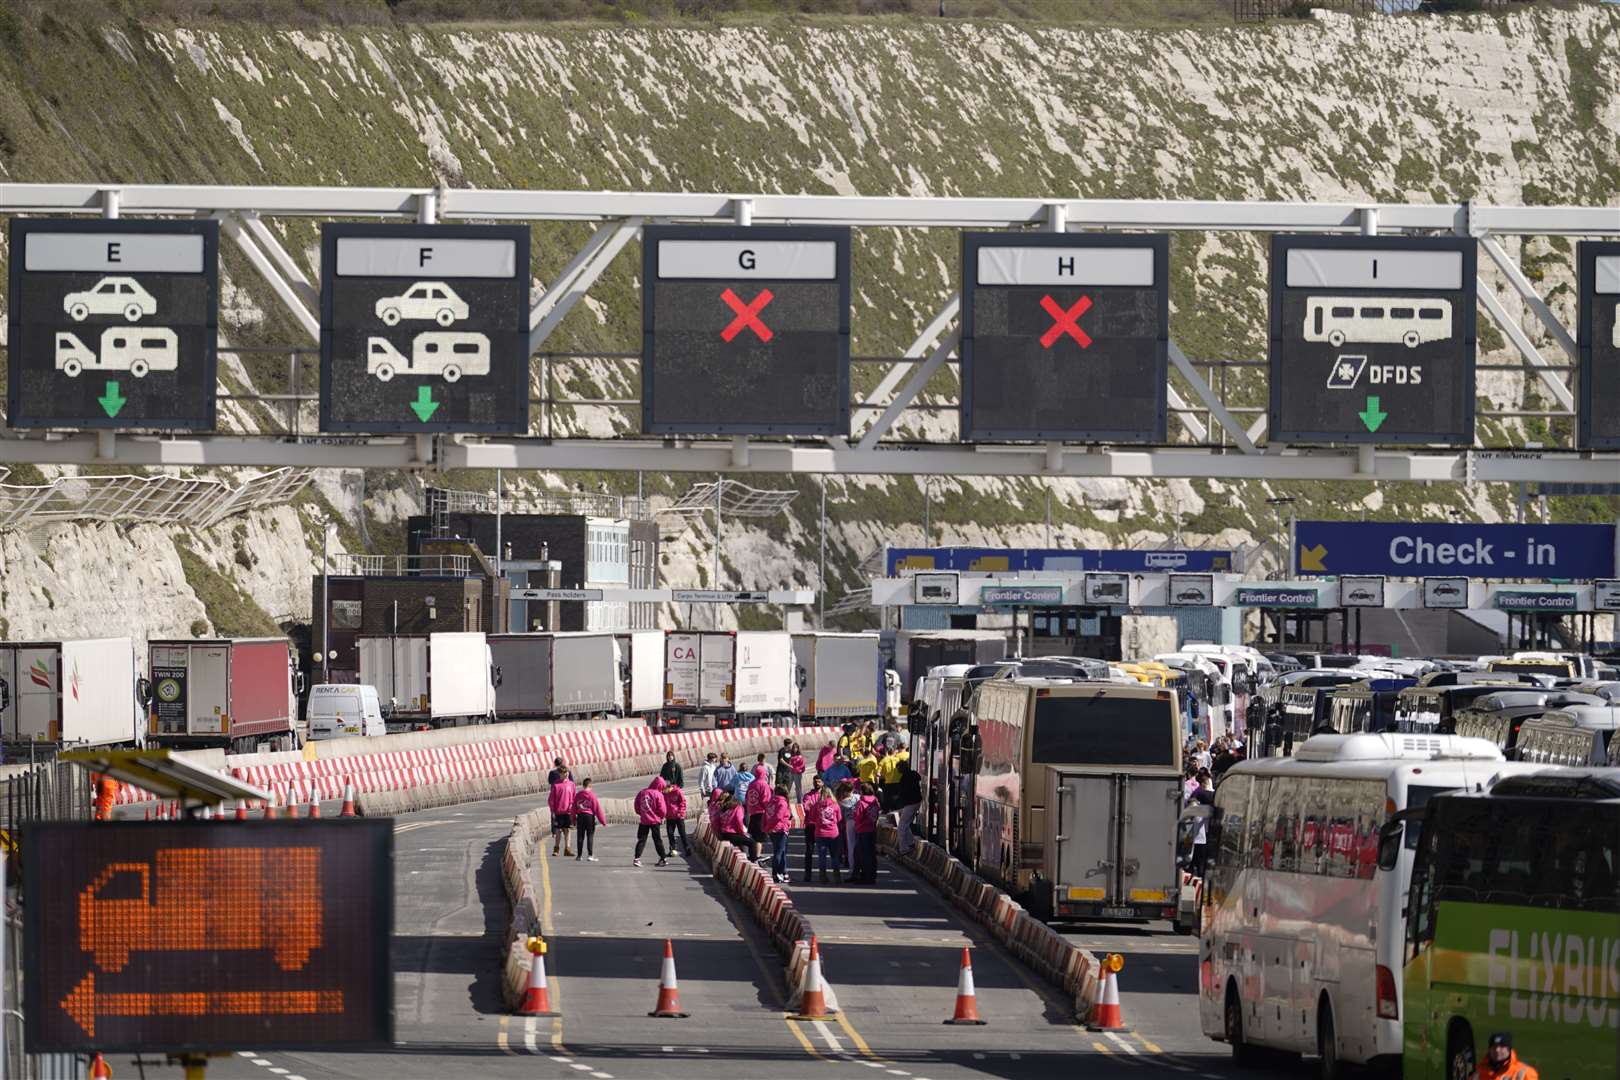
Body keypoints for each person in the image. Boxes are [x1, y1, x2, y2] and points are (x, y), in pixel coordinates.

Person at [633, 777, 670, 867]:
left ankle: (637, 858)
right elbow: (662, 809)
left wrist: (641, 813)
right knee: (657, 840)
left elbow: (636, 804)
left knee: (641, 840)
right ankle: (663, 858)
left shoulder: (642, 792)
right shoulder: (658, 794)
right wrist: (661, 817)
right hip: (655, 821)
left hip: (644, 820)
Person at [810, 783, 843, 884]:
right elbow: (839, 819)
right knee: (834, 856)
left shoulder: (817, 805)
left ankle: (822, 876)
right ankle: (837, 877)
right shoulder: (835, 805)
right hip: (833, 834)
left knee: (822, 856)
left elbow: (813, 818)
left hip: (820, 834)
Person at [571, 777, 608, 862]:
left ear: (583, 785)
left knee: (580, 836)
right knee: (590, 836)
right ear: (590, 786)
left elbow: (573, 808)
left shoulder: (578, 795)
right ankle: (590, 855)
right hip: (589, 817)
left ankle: (579, 856)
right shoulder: (592, 795)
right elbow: (597, 809)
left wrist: (573, 820)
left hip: (580, 816)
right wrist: (603, 822)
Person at [1473, 1032, 1538, 1080]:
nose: (1497, 1050)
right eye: (1494, 1047)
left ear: (1509, 1049)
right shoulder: (1479, 1071)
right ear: (1489, 1049)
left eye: (1502, 1046)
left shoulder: (1525, 1072)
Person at [762, 783, 792, 884]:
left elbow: (765, 815)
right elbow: (778, 817)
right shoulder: (782, 803)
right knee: (779, 852)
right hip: (780, 830)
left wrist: (766, 827)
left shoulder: (771, 802)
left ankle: (784, 872)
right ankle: (775, 873)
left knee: (781, 851)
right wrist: (768, 826)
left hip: (772, 830)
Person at [893, 761, 924, 856]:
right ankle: (911, 843)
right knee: (906, 824)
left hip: (910, 803)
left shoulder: (905, 778)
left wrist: (898, 797)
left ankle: (903, 848)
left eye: (898, 768)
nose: (897, 770)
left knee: (901, 826)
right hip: (916, 802)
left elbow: (905, 791)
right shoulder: (913, 774)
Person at [852, 782, 880, 883]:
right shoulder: (875, 801)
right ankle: (872, 875)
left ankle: (865, 876)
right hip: (872, 829)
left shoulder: (861, 803)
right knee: (871, 854)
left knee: (863, 854)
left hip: (862, 830)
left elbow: (857, 816)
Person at [744, 762, 771, 860]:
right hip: (761, 813)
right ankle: (757, 856)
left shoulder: (751, 784)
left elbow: (747, 797)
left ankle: (753, 854)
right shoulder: (764, 785)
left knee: (754, 835)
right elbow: (765, 800)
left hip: (752, 812)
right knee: (759, 837)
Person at [548, 767, 576, 857]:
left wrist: (573, 808)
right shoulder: (556, 785)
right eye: (564, 773)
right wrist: (552, 810)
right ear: (560, 774)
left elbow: (574, 797)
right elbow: (551, 799)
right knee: (558, 831)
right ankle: (556, 849)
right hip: (558, 812)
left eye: (567, 772)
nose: (566, 774)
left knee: (567, 830)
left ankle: (567, 849)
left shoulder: (571, 784)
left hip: (568, 811)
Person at [801, 777, 825, 882]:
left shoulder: (825, 795)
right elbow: (806, 807)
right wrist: (819, 808)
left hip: (822, 826)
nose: (817, 783)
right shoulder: (808, 795)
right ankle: (808, 874)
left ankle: (823, 875)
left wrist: (815, 808)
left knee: (822, 851)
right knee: (809, 851)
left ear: (823, 783)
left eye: (819, 781)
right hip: (811, 825)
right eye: (815, 781)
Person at [836, 780, 860, 874]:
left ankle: (852, 867)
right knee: (859, 844)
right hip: (860, 822)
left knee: (851, 845)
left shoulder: (841, 802)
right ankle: (859, 865)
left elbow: (840, 816)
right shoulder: (858, 798)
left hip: (849, 823)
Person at [664, 781, 691, 857]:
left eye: (665, 789)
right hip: (669, 816)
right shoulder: (664, 794)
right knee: (670, 833)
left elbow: (683, 802)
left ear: (669, 787)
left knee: (682, 833)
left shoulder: (677, 791)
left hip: (678, 816)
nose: (664, 791)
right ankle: (672, 849)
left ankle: (687, 848)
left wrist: (680, 812)